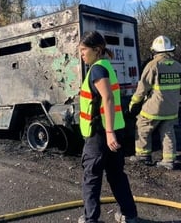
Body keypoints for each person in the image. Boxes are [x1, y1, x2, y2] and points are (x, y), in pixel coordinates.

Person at [78, 31, 138, 223]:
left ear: (96, 50)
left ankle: (90, 220)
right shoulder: (106, 67)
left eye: (83, 50)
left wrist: (109, 132)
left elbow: (108, 98)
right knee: (116, 175)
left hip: (100, 134)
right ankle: (129, 215)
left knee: (92, 177)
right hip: (111, 132)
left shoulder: (97, 69)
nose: (81, 55)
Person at [128, 35, 181, 170]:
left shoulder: (153, 65)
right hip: (172, 109)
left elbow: (143, 87)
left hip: (155, 108)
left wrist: (134, 103)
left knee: (143, 126)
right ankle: (168, 161)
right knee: (168, 132)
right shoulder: (177, 66)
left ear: (154, 51)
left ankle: (143, 156)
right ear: (170, 50)